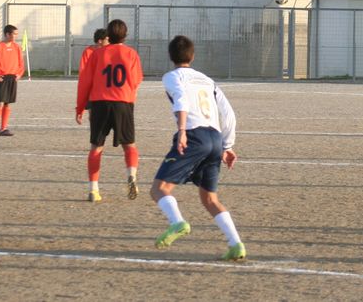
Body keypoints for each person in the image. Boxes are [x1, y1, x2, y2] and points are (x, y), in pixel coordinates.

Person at [149, 35, 246, 262]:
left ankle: (177, 222)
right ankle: (236, 244)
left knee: (159, 189)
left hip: (194, 136)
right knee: (209, 198)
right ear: (192, 56)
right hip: (215, 138)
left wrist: (182, 131)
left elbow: (181, 99)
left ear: (170, 56)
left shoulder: (172, 76)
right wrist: (227, 146)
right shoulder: (207, 80)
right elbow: (228, 113)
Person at [76, 20, 142, 202]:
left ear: (108, 35)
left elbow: (85, 82)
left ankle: (93, 189)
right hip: (123, 102)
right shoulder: (131, 54)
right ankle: (131, 174)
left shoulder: (97, 54)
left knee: (96, 147)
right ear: (125, 35)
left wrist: (80, 107)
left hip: (100, 103)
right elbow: (136, 80)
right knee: (129, 145)